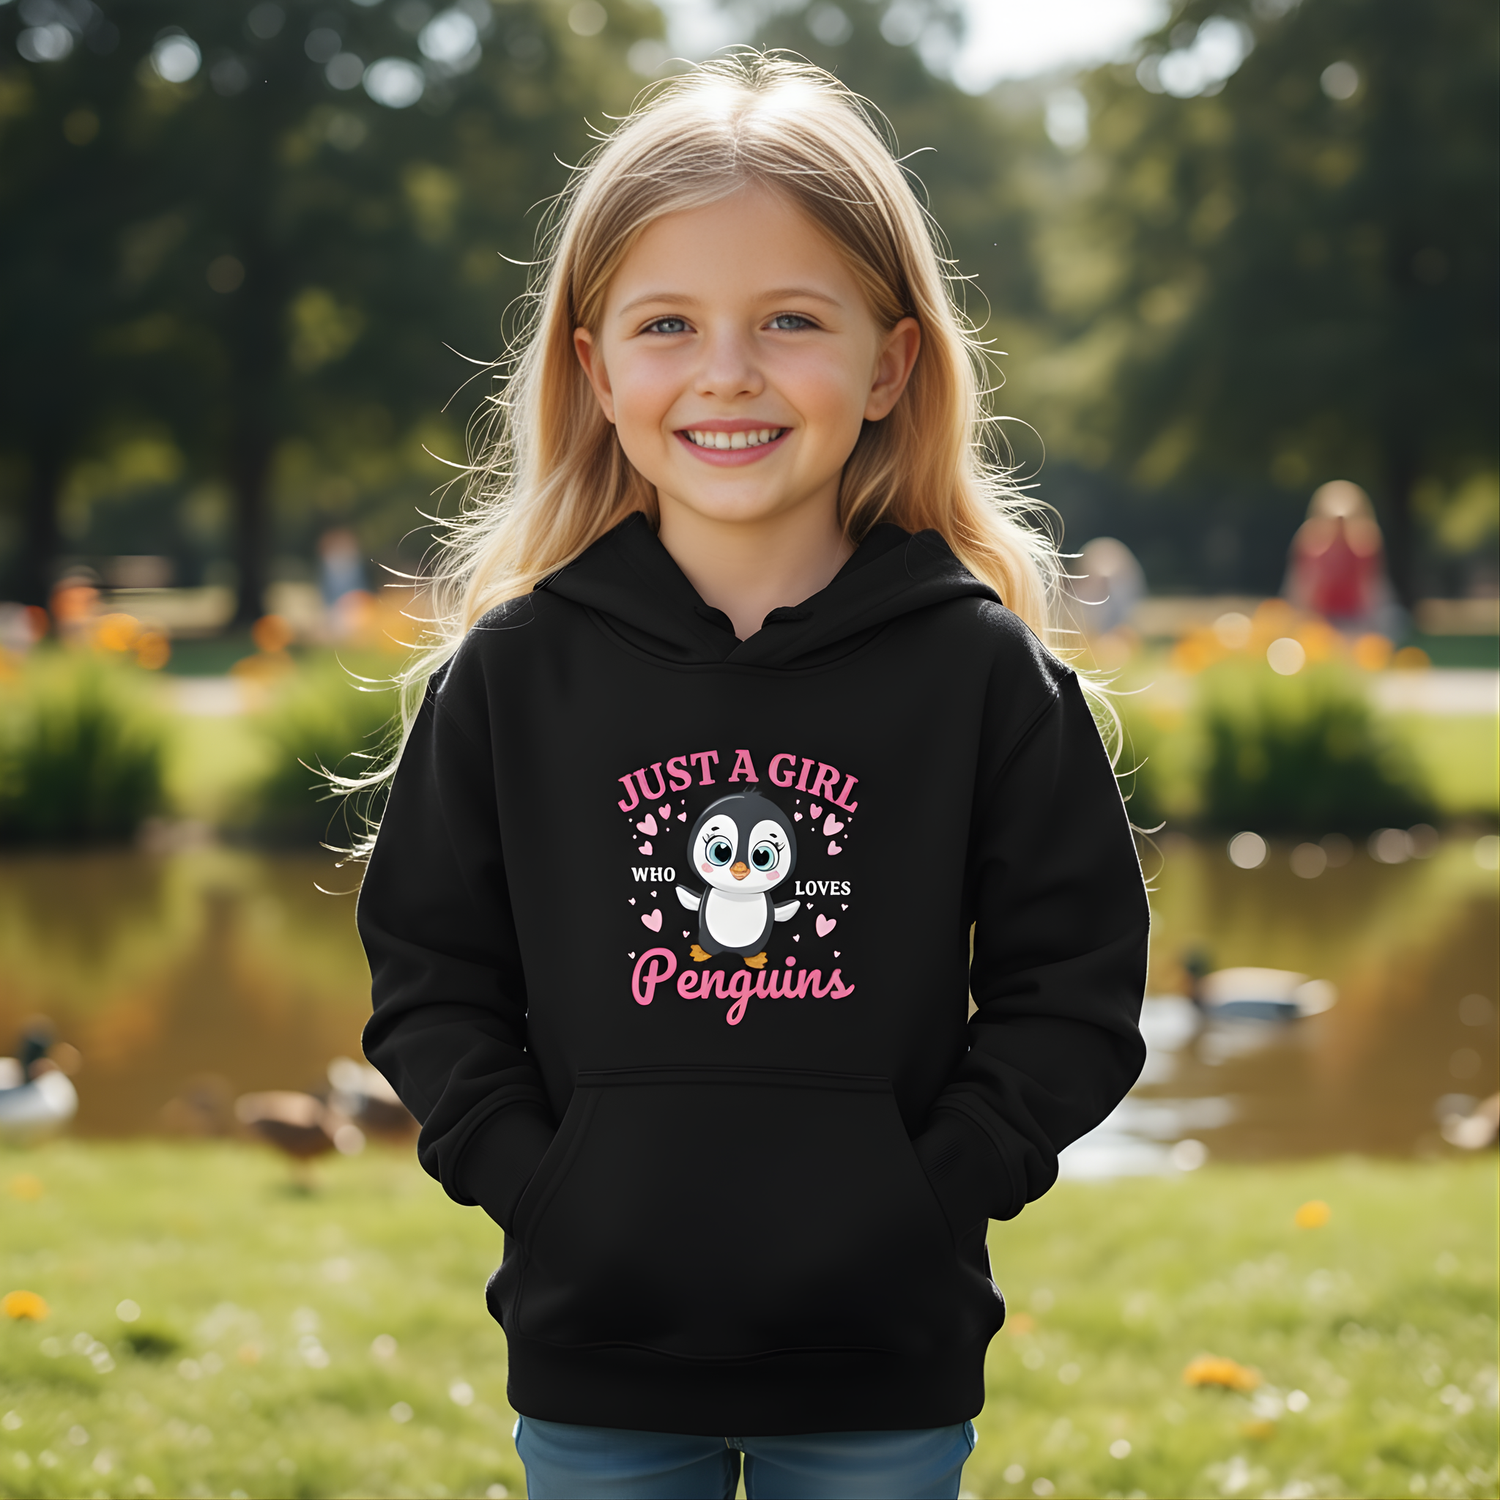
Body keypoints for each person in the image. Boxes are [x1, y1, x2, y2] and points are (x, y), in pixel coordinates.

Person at [356, 54, 1148, 1500]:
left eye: (791, 319)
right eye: (668, 324)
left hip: (881, 1361)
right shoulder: (514, 676)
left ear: (890, 364)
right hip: (597, 1355)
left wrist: (929, 1193)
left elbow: (1074, 992)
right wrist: (542, 1187)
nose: (727, 370)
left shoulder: (981, 676)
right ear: (596, 371)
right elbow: (429, 978)